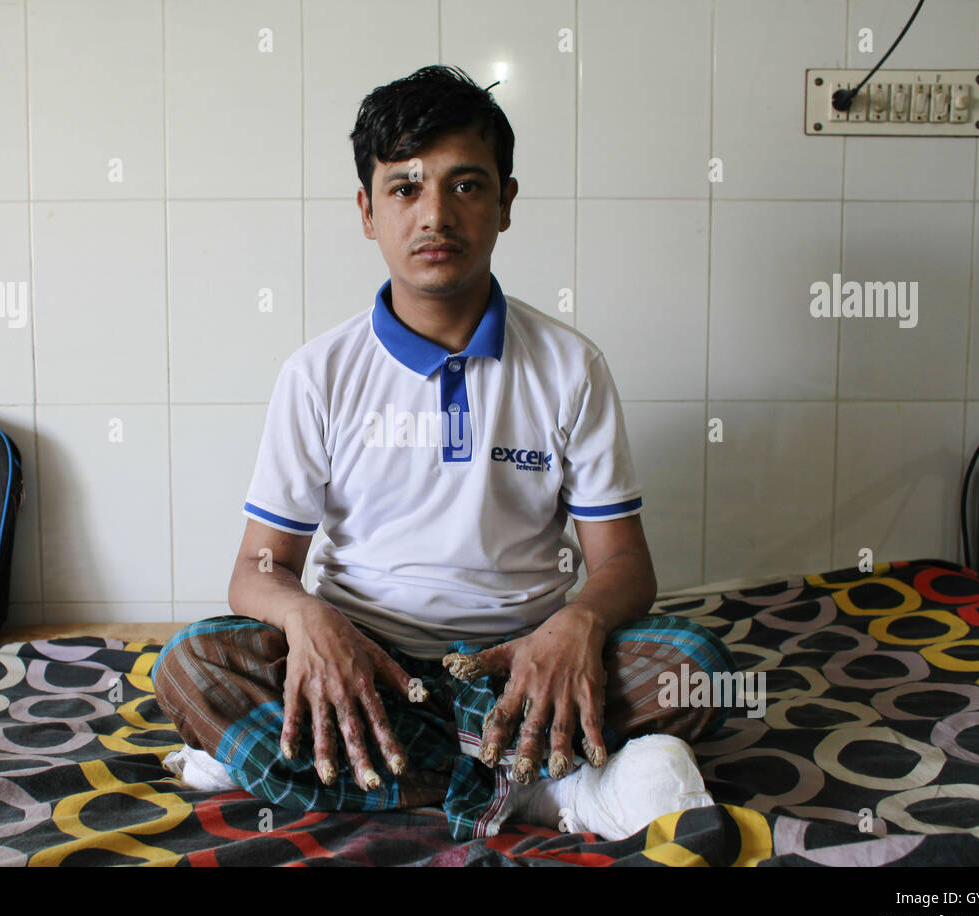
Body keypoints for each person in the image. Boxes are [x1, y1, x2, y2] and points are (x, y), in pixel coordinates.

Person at [153, 65, 736, 842]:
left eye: (466, 186)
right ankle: (546, 787)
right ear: (367, 210)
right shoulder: (319, 374)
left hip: (523, 671)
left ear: (505, 203)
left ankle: (331, 768)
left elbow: (625, 564)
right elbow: (257, 568)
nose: (435, 215)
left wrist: (576, 628)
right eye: (404, 189)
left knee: (696, 665)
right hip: (366, 668)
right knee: (191, 665)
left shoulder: (570, 365)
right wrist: (307, 622)